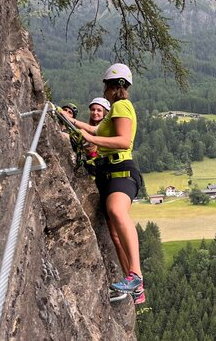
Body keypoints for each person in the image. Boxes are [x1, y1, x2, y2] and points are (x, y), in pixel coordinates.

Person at [62, 64, 144, 304]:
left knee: (117, 212)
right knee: (115, 235)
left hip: (121, 170)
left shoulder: (121, 106)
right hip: (109, 174)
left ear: (112, 86)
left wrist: (89, 138)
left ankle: (136, 275)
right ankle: (137, 288)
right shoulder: (114, 111)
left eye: (106, 86)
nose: (105, 91)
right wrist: (69, 120)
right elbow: (93, 128)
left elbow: (123, 140)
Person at [83, 97, 110, 178]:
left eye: (99, 110)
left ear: (105, 113)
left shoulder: (105, 129)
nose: (95, 112)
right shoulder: (90, 129)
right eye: (93, 109)